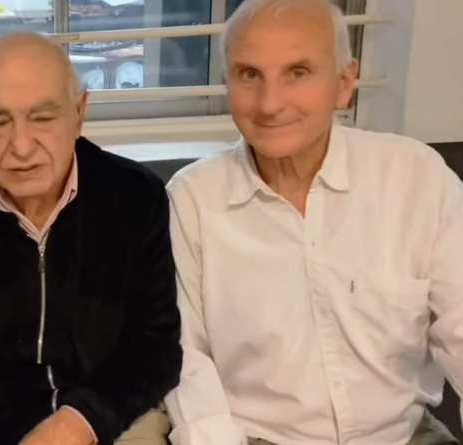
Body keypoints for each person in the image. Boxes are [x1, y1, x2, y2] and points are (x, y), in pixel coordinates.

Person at [164, 0, 463, 444]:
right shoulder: (191, 200)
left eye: (297, 72)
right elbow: (187, 361)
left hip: (404, 435)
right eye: (249, 75)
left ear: (344, 83)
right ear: (227, 83)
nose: (270, 103)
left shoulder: (417, 178)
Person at [0, 32, 182, 445]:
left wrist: (79, 423)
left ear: (79, 112)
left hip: (113, 420)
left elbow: (155, 347)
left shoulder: (135, 198)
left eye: (42, 118)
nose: (21, 146)